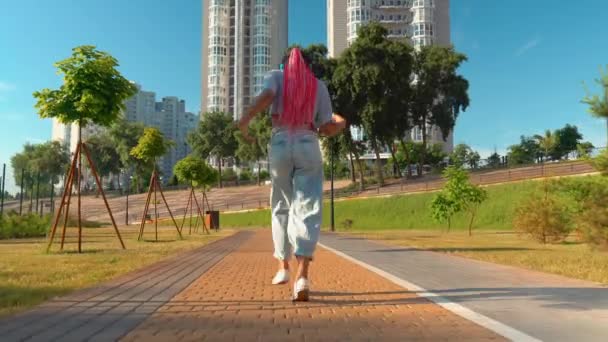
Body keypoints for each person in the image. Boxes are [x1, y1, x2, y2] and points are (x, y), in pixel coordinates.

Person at [238, 48, 346, 301]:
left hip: (280, 143)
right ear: (308, 66)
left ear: (285, 63)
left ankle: (282, 267)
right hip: (308, 142)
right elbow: (326, 125)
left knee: (281, 206)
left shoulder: (276, 76)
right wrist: (342, 122)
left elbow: (267, 96)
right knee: (307, 207)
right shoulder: (318, 86)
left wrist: (246, 119)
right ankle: (302, 275)